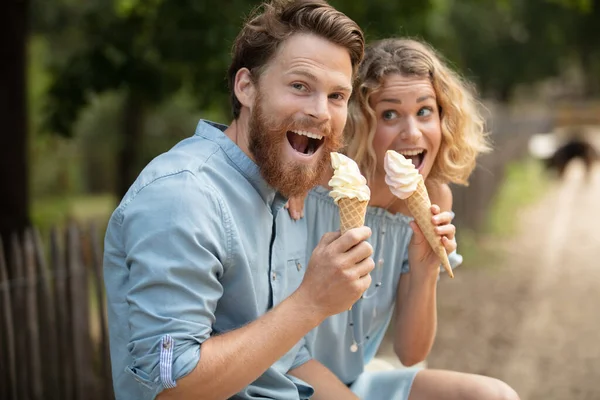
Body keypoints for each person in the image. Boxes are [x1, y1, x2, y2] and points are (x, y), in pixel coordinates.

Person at [102, 1, 373, 399]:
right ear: (245, 87)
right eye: (300, 86)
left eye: (336, 96)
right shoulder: (183, 196)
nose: (320, 112)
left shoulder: (280, 190)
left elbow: (288, 358)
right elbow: (170, 386)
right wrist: (310, 302)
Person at [285, 38, 520, 399]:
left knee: (495, 395)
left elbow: (411, 354)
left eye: (425, 111)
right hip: (283, 376)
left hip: (354, 382)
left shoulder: (435, 198)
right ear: (361, 122)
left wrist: (425, 267)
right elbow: (279, 334)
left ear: (444, 119)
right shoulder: (315, 180)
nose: (412, 132)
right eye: (390, 114)